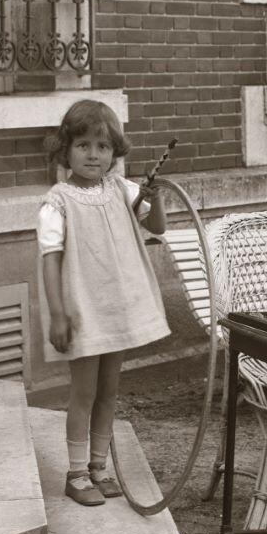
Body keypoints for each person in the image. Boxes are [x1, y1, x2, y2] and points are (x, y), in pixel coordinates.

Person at [37, 100, 170, 506]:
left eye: (103, 147)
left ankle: (99, 467)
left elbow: (157, 226)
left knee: (109, 390)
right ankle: (75, 472)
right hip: (83, 311)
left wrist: (154, 196)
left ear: (114, 152)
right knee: (84, 391)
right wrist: (58, 314)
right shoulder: (57, 202)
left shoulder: (122, 189)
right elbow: (50, 259)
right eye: (83, 145)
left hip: (117, 307)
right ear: (66, 150)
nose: (93, 155)